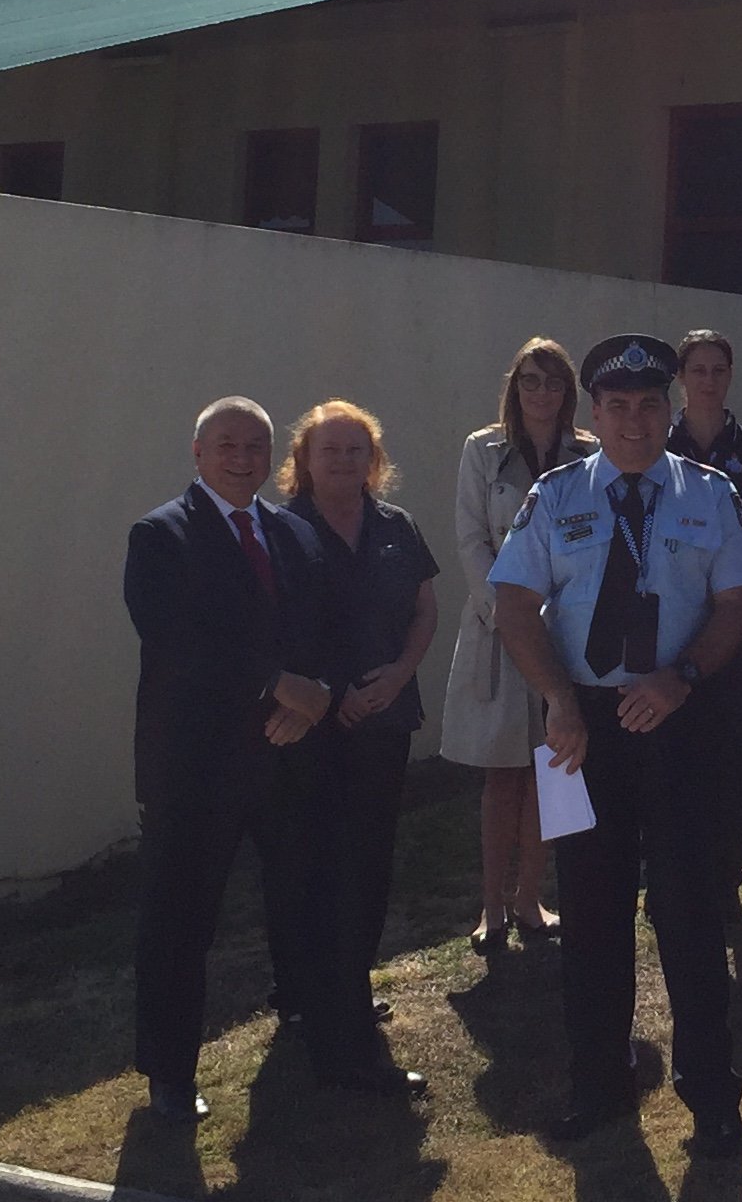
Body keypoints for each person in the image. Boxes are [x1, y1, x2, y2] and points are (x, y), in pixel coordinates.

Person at [489, 336, 742, 1156]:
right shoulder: (556, 495)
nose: (636, 421)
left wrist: (680, 676)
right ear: (596, 415)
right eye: (618, 407)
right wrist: (558, 702)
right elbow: (513, 602)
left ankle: (712, 1095)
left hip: (682, 723)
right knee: (591, 913)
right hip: (582, 735)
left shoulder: (709, 495)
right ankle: (599, 1086)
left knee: (689, 910)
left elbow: (738, 604)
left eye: (651, 405)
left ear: (669, 408)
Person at [124, 398, 421, 1121]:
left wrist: (309, 697)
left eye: (255, 446)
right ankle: (168, 1077)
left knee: (320, 904)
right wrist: (273, 687)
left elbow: (317, 626)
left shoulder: (290, 534)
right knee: (182, 921)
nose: (242, 458)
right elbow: (178, 639)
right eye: (226, 445)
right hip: (198, 765)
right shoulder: (162, 535)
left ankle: (340, 1049)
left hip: (291, 755)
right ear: (198, 453)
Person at [281, 401, 442, 1040]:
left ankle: (352, 985)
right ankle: (302, 993)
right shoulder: (281, 529)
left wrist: (402, 671)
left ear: (373, 460)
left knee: (370, 857)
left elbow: (425, 609)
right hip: (309, 724)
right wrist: (329, 691)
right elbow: (275, 624)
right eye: (331, 450)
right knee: (309, 857)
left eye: (356, 450)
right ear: (304, 460)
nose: (345, 461)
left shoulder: (397, 526)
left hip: (384, 716)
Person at [438, 339, 592, 954]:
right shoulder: (483, 451)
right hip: (501, 630)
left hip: (566, 637)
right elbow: (472, 537)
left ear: (568, 391)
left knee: (552, 773)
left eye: (553, 382)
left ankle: (532, 897)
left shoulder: (590, 453)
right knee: (503, 776)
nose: (541, 392)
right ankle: (492, 906)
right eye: (531, 380)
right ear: (514, 385)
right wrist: (504, 610)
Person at [667, 328, 742, 906]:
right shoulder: (657, 443)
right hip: (669, 623)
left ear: (729, 376)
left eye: (717, 370)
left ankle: (726, 877)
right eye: (697, 370)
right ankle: (671, 879)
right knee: (672, 754)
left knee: (729, 757)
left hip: (733, 623)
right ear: (681, 378)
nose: (707, 380)